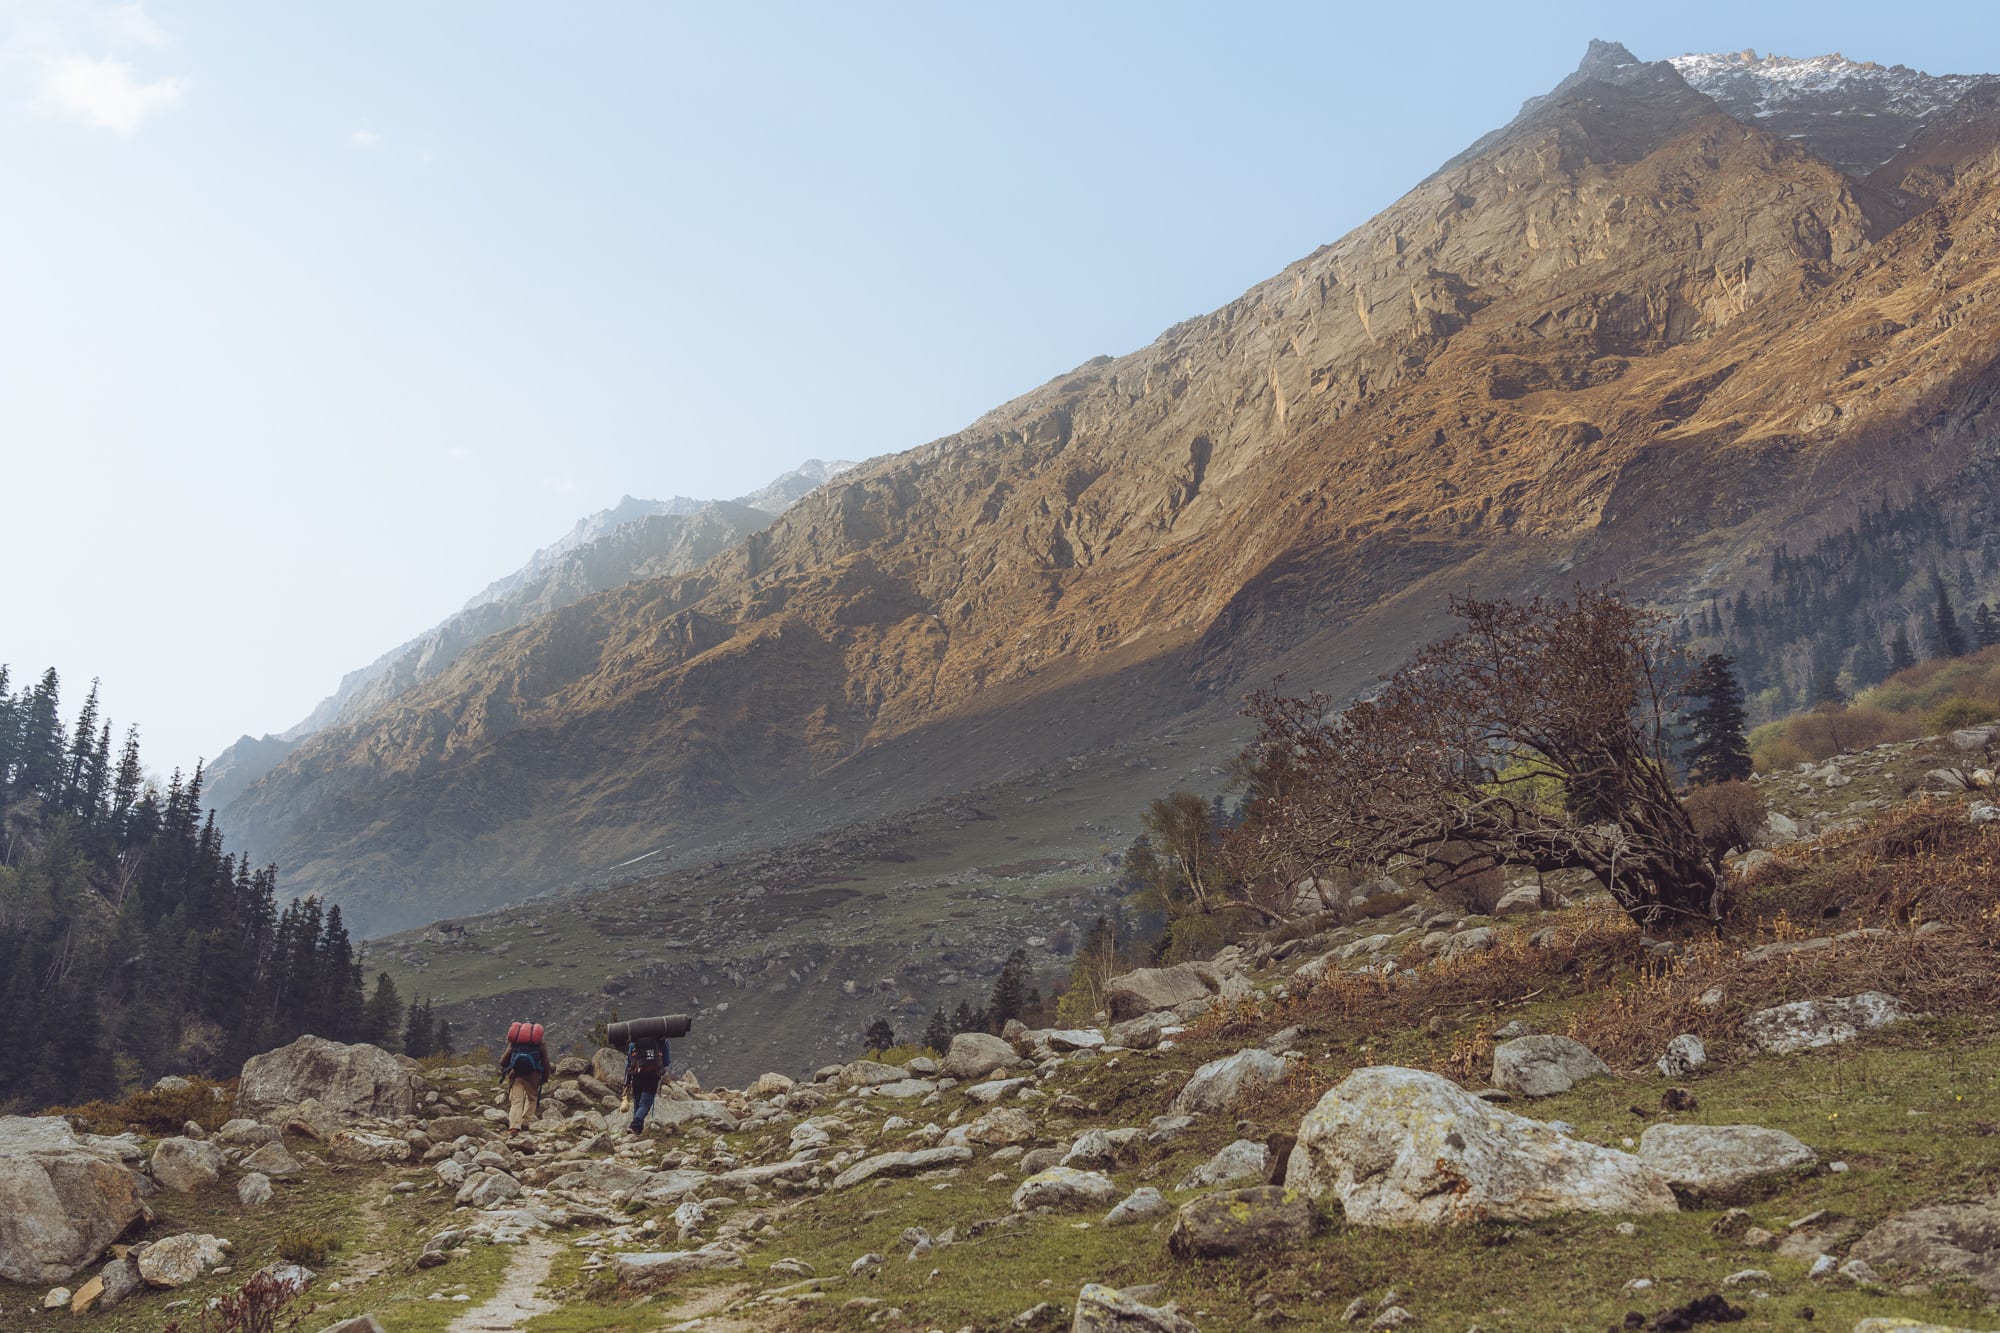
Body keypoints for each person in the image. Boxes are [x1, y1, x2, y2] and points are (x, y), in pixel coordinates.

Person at [499, 1022, 549, 1135]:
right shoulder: (540, 1043)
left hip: (516, 1075)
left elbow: (502, 1061)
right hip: (533, 1077)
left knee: (516, 1101)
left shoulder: (515, 1043)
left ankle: (514, 1127)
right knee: (532, 1099)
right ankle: (525, 1122)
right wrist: (545, 1077)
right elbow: (546, 1062)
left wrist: (508, 1067)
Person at [625, 1028, 670, 1134]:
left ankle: (636, 1130)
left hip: (637, 1076)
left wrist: (627, 1080)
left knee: (637, 1102)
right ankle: (635, 1125)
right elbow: (667, 1061)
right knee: (645, 1104)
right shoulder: (661, 1043)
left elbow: (629, 1062)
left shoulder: (634, 1042)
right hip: (652, 1076)